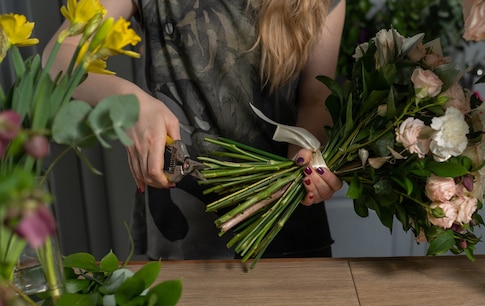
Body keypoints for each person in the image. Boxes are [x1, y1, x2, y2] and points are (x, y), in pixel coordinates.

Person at [45, 0, 346, 260]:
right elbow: (58, 57)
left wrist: (307, 153)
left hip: (286, 233)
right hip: (180, 240)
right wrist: (130, 104)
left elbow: (316, 99)